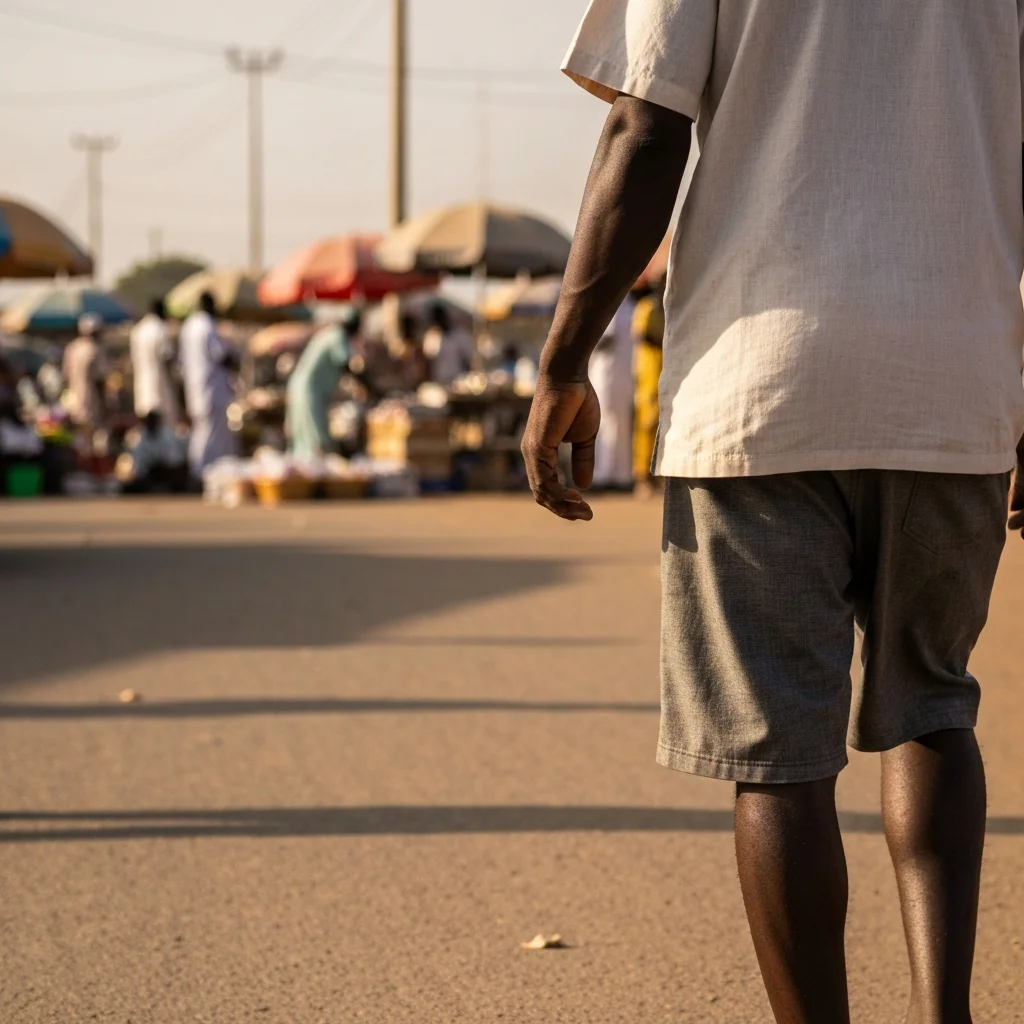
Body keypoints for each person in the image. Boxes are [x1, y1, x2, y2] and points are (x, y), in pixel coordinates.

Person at [521, 2, 1024, 1020]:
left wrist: (564, 358)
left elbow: (644, 126)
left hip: (759, 386)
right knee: (930, 705)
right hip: (952, 370)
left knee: (775, 758)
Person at [286, 309, 362, 460]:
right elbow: (344, 363)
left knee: (305, 432)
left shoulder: (328, 334)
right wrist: (366, 383)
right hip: (308, 390)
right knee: (315, 436)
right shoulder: (337, 335)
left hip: (303, 387)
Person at [179, 292, 238, 477]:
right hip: (210, 389)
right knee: (210, 432)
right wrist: (236, 360)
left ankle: (204, 470)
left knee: (202, 431)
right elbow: (220, 355)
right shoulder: (206, 325)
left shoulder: (189, 326)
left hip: (195, 388)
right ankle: (201, 472)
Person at [588, 295, 635, 489]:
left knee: (608, 423)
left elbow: (607, 337)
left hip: (611, 375)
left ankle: (605, 475)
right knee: (616, 424)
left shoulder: (615, 304)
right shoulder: (630, 306)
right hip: (620, 375)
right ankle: (618, 474)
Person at [631, 280, 666, 498]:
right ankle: (641, 476)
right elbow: (643, 335)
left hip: (665, 370)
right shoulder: (647, 307)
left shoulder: (666, 307)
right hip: (649, 373)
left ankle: (659, 477)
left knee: (663, 425)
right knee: (646, 422)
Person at [130, 298, 180, 427]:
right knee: (164, 427)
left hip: (142, 386)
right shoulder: (160, 329)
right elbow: (167, 358)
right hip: (160, 387)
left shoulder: (138, 330)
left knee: (147, 427)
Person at [61, 314, 108, 436]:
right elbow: (100, 380)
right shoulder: (94, 349)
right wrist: (105, 405)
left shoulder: (72, 348)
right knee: (90, 436)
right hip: (90, 400)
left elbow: (65, 375)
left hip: (72, 399)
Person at [422, 304, 475, 387]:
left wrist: (470, 379)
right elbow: (428, 363)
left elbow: (468, 360)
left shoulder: (460, 335)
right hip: (439, 382)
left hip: (459, 382)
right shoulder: (431, 337)